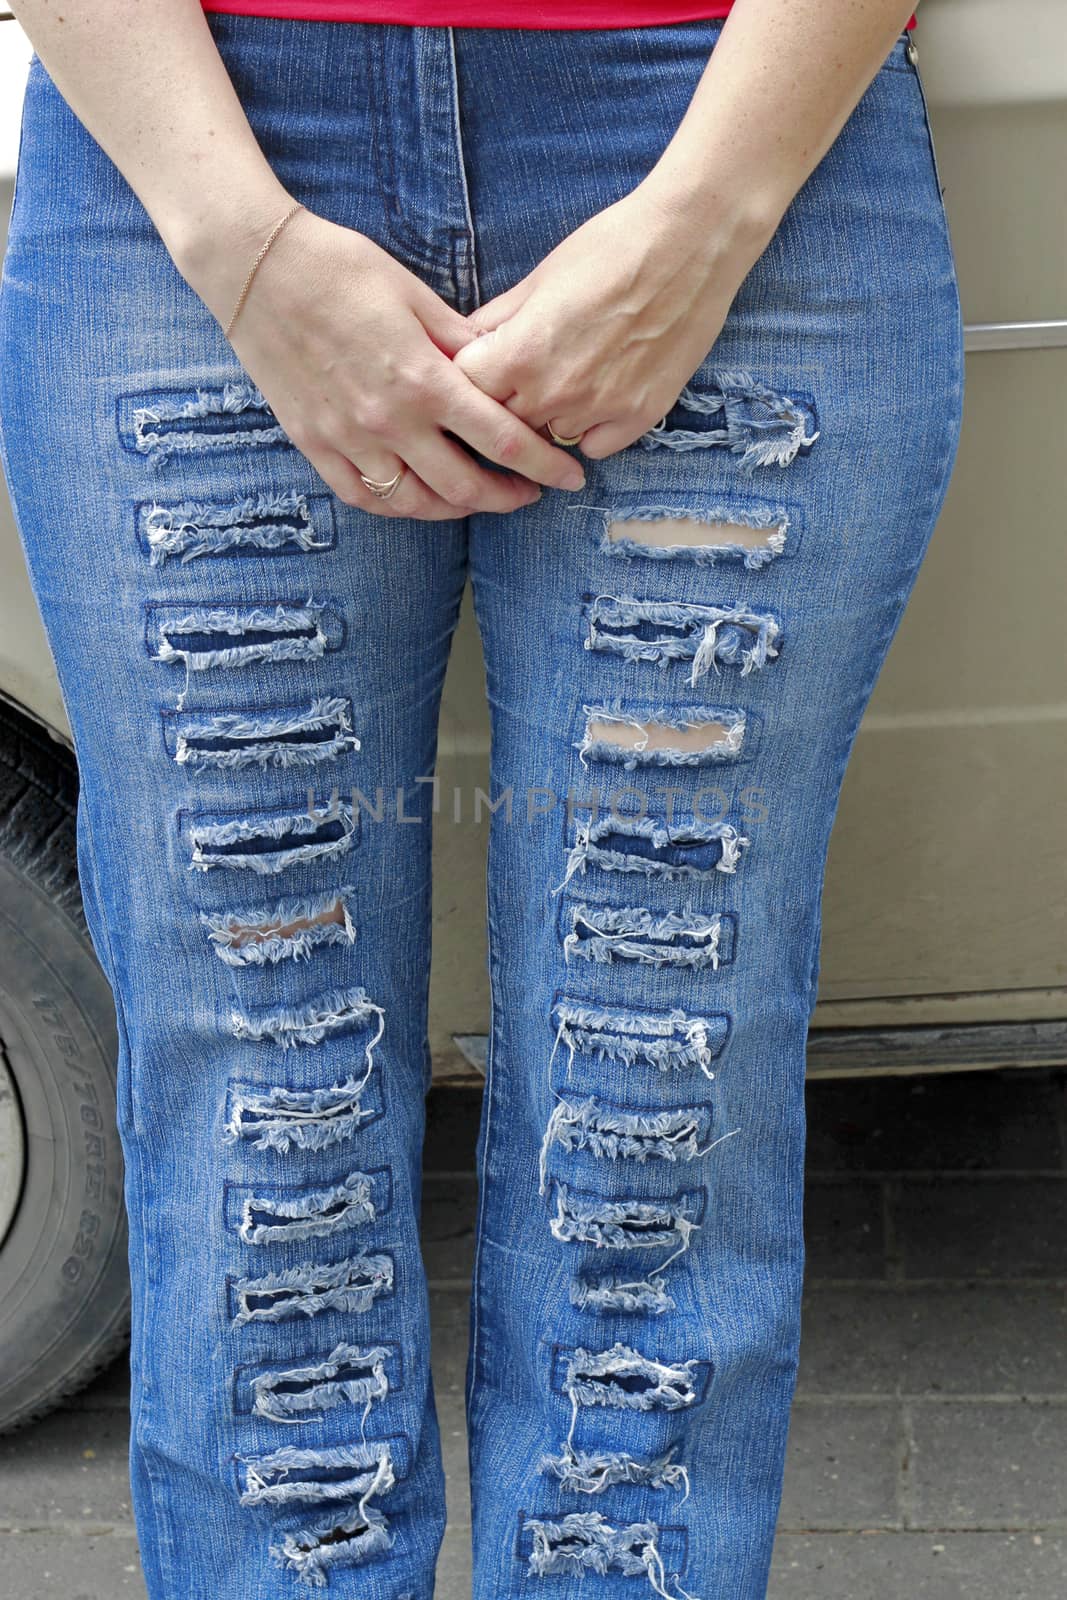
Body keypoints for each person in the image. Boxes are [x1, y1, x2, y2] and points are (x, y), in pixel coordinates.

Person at [0, 0, 961, 1595]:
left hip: (731, 127)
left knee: (658, 1106)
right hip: (194, 130)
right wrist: (240, 243)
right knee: (260, 1138)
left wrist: (706, 211)